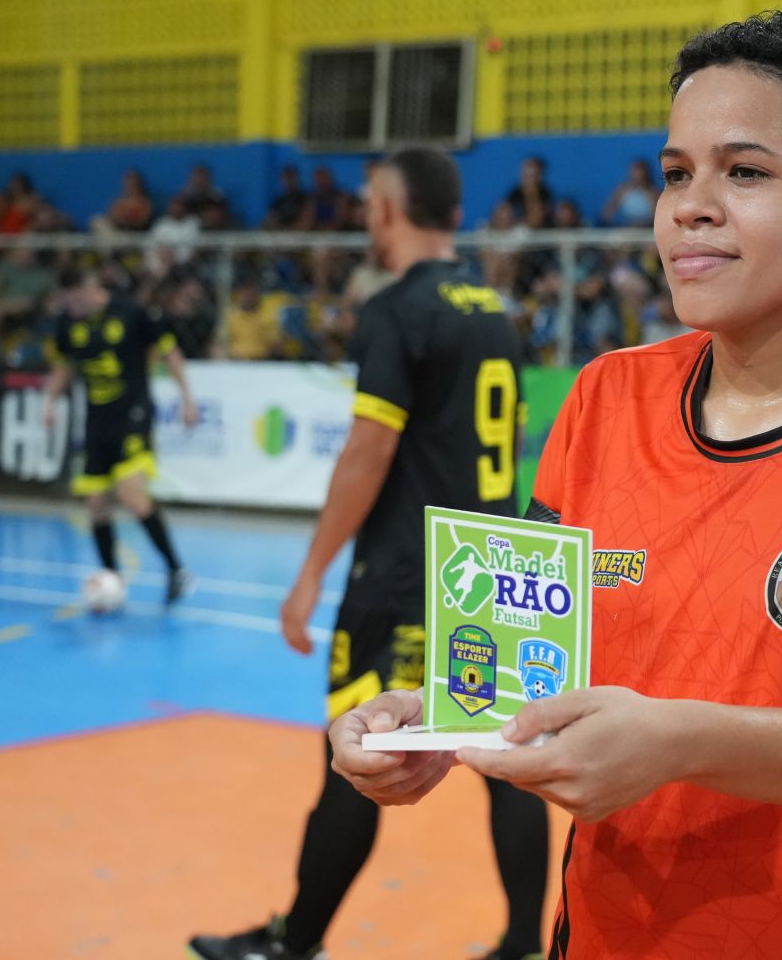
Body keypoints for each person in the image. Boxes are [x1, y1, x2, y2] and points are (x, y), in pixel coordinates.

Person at [328, 12, 782, 959]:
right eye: (676, 174)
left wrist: (678, 740)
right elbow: (513, 670)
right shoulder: (606, 397)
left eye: (744, 173)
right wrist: (431, 723)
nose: (689, 208)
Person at [189, 148, 548, 960]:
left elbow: (367, 450)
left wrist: (311, 573)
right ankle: (526, 945)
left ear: (389, 208)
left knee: (356, 752)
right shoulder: (494, 310)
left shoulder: (396, 308)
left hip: (405, 577)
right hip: (491, 565)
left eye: (368, 201)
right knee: (508, 756)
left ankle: (296, 944)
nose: (363, 215)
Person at [42, 269, 197, 605]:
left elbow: (170, 353)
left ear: (93, 290)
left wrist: (187, 397)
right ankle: (112, 579)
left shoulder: (130, 313)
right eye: (67, 301)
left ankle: (177, 570)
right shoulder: (68, 323)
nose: (71, 307)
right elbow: (63, 366)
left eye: (76, 299)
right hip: (96, 422)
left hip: (133, 415)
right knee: (96, 504)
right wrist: (50, 402)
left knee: (132, 494)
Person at [601, 158, 660, 227]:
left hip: (647, 229)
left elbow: (657, 217)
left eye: (640, 175)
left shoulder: (654, 193)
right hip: (626, 228)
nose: (638, 178)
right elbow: (607, 214)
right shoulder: (622, 191)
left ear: (646, 175)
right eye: (635, 175)